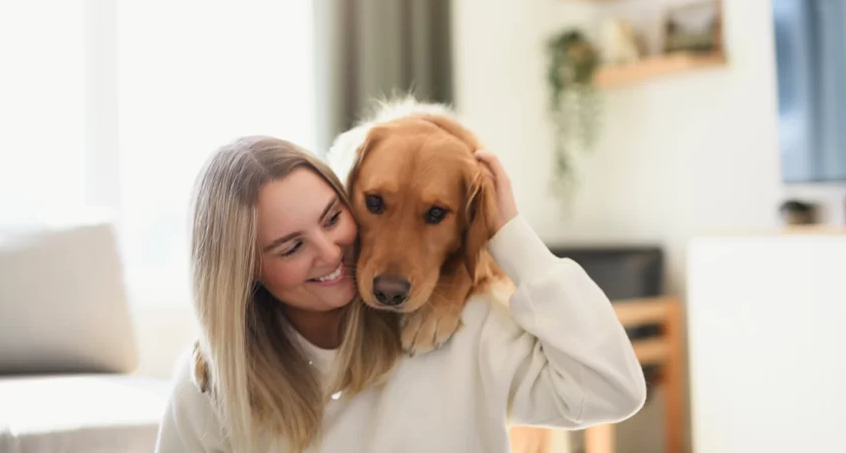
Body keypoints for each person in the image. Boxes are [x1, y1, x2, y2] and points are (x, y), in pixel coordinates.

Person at [154, 135, 646, 453]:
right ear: (244, 273)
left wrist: (511, 237)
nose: (331, 253)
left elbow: (614, 390)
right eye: (292, 246)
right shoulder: (208, 386)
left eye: (332, 218)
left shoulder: (464, 331)